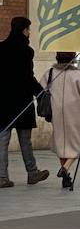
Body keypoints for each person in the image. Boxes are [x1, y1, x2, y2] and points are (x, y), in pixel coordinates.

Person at [0, 16, 47, 188]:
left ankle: (2, 177)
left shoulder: (1, 48)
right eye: (28, 29)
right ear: (23, 30)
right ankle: (32, 172)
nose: (30, 32)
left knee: (2, 139)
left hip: (3, 103)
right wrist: (41, 92)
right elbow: (28, 77)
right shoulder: (26, 51)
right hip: (22, 102)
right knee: (25, 140)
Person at [45, 52, 80, 191]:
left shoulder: (50, 73)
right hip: (76, 114)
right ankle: (65, 168)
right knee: (77, 144)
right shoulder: (78, 75)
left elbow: (41, 90)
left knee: (62, 145)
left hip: (57, 113)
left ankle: (66, 174)